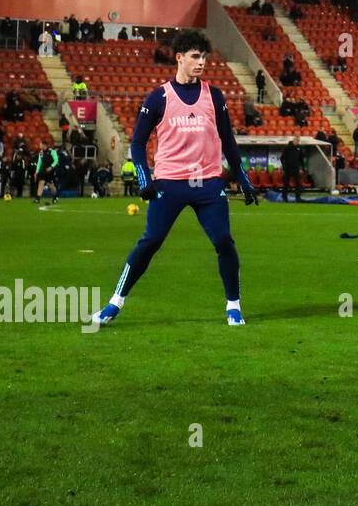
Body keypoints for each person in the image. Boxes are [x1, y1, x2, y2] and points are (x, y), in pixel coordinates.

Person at [91, 30, 259, 328]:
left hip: (208, 183)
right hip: (170, 182)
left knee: (223, 241)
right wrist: (144, 179)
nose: (201, 62)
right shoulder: (158, 97)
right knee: (151, 241)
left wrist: (242, 179)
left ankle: (233, 306)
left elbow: (228, 141)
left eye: (204, 57)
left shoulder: (214, 95)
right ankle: (114, 303)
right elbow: (138, 143)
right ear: (179, 58)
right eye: (195, 56)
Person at [281, 138, 305, 202]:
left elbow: (301, 159)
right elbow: (282, 158)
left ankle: (298, 197)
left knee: (298, 184)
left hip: (296, 168)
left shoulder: (299, 148)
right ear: (293, 141)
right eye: (296, 141)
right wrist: (284, 167)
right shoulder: (287, 148)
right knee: (286, 183)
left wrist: (302, 168)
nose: (297, 142)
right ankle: (284, 197)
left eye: (298, 141)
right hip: (288, 168)